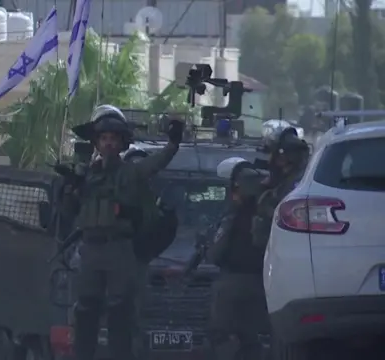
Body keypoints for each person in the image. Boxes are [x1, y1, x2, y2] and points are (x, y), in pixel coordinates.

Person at [62, 105, 185, 360]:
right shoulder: (85, 174)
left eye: (113, 139)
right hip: (90, 248)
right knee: (85, 310)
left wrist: (173, 143)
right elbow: (67, 212)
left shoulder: (131, 172)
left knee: (120, 312)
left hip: (119, 249)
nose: (108, 144)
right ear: (96, 143)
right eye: (103, 139)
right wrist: (72, 190)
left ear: (121, 143)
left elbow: (156, 163)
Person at [207, 157, 271, 360]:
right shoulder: (267, 214)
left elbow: (215, 254)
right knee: (254, 340)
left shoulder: (232, 217)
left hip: (232, 283)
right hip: (263, 283)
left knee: (222, 337)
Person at [252, 126, 309, 249]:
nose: (269, 159)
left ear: (283, 157)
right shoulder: (282, 181)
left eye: (272, 153)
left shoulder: (296, 185)